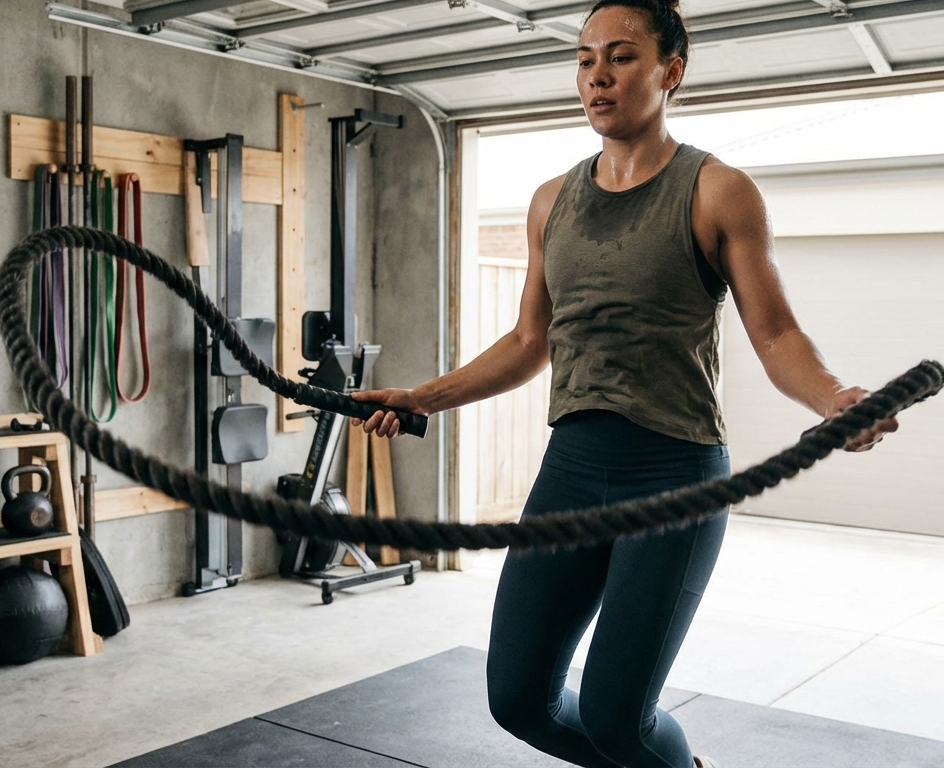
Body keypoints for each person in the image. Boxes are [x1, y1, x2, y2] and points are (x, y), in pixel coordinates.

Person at [351, 0, 898, 763]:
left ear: (671, 71)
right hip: (571, 474)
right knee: (517, 700)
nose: (598, 77)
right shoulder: (552, 200)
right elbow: (528, 341)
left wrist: (834, 397)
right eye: (584, 59)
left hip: (673, 477)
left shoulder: (717, 190)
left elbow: (774, 332)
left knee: (615, 718)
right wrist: (421, 398)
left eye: (621, 56)